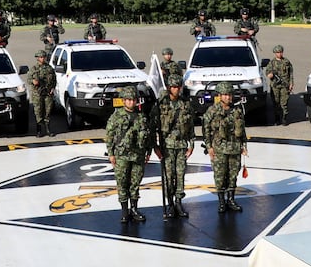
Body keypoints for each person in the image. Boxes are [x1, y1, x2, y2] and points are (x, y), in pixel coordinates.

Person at [150, 74, 194, 219]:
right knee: (169, 176)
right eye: (174, 87)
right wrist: (155, 147)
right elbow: (152, 127)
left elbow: (190, 126)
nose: (176, 89)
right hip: (166, 146)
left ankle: (179, 202)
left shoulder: (185, 104)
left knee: (180, 175)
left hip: (181, 145)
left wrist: (191, 144)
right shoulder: (160, 105)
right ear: (169, 88)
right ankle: (170, 203)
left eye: (178, 87)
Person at [104, 85, 150, 224]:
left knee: (135, 183)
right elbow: (110, 136)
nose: (131, 102)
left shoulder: (141, 116)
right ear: (124, 101)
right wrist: (111, 154)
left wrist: (148, 152)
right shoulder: (116, 116)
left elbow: (147, 136)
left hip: (138, 155)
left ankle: (134, 209)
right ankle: (124, 211)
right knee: (122, 182)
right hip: (122, 155)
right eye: (128, 100)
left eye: (133, 100)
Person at [203, 82, 247, 213]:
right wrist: (209, 147)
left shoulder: (237, 110)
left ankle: (231, 199)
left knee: (233, 175)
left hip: (234, 148)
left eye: (230, 95)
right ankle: (222, 201)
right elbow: (206, 130)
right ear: (220, 96)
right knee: (220, 176)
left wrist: (244, 146)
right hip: (219, 149)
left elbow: (242, 130)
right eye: (225, 95)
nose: (228, 98)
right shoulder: (212, 111)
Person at [28, 49, 57, 137]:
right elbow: (28, 79)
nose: (43, 59)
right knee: (38, 111)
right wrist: (33, 81)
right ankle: (39, 130)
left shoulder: (49, 68)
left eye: (44, 57)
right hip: (37, 93)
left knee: (48, 111)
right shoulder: (34, 69)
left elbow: (54, 80)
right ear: (37, 58)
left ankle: (48, 129)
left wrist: (52, 88)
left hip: (48, 93)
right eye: (41, 57)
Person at [265, 45, 294, 126]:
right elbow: (267, 72)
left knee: (284, 103)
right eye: (278, 52)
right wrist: (270, 75)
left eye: (280, 52)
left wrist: (291, 83)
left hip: (285, 85)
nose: (279, 54)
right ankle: (277, 119)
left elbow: (291, 73)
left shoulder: (286, 62)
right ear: (275, 53)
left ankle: (284, 119)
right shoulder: (272, 63)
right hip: (275, 86)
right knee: (276, 103)